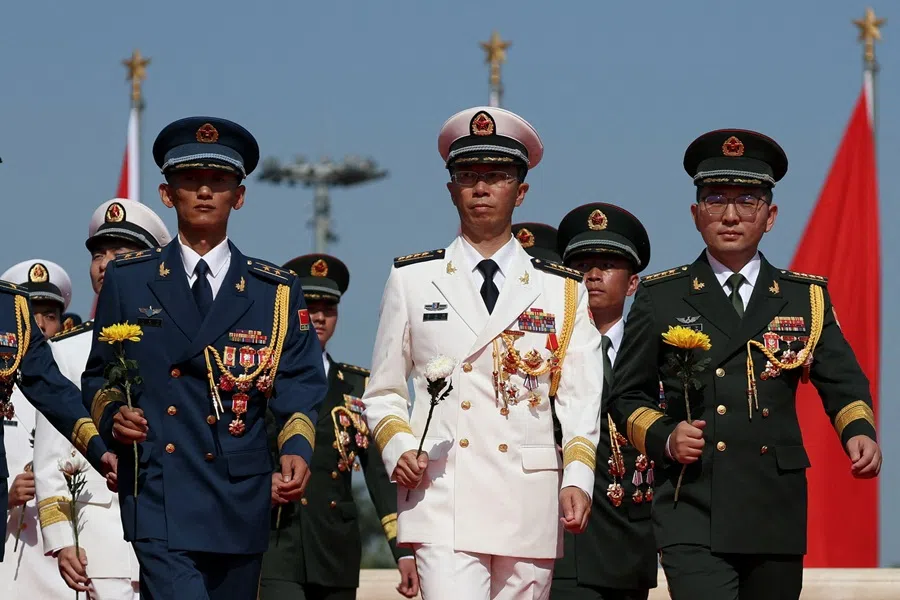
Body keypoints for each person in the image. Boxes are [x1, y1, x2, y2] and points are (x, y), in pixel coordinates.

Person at [607, 129, 882, 599]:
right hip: (690, 500)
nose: (730, 215)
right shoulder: (662, 296)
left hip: (773, 502)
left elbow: (844, 382)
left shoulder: (804, 297)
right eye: (716, 200)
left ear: (770, 216)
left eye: (747, 201)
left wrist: (859, 431)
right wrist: (665, 437)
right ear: (696, 215)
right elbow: (625, 396)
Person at [362, 106, 605, 600]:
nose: (480, 188)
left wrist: (578, 476)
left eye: (496, 176)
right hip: (443, 489)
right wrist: (398, 448)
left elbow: (580, 400)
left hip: (527, 495)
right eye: (468, 176)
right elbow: (384, 390)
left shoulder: (559, 288)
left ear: (521, 189)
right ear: (450, 188)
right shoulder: (412, 280)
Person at [81, 116, 329, 600]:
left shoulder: (274, 291)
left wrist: (296, 450)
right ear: (166, 193)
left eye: (218, 181)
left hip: (240, 493)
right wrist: (115, 414)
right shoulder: (128, 281)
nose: (203, 192)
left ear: (239, 196)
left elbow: (300, 380)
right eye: (189, 181)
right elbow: (100, 376)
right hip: (159, 488)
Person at [34, 198, 173, 599]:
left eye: (120, 253)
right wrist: (62, 539)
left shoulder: (177, 343)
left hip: (175, 534)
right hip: (103, 545)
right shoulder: (65, 350)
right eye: (99, 253)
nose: (104, 263)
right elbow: (50, 456)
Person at [260, 253, 419, 600]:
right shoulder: (261, 377)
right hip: (274, 542)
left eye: (328, 308)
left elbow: (379, 474)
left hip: (334, 549)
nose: (319, 316)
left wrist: (402, 548)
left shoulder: (357, 387)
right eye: (310, 305)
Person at [550, 204, 657, 600]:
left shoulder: (660, 351)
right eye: (581, 265)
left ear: (632, 284)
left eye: (608, 264)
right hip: (558, 538)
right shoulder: (539, 352)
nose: (592, 274)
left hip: (628, 544)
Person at [1, 259, 78, 597]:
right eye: (32, 317)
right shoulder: (3, 386)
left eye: (51, 316)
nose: (42, 326)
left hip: (63, 545)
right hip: (11, 551)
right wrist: (6, 497)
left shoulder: (72, 387)